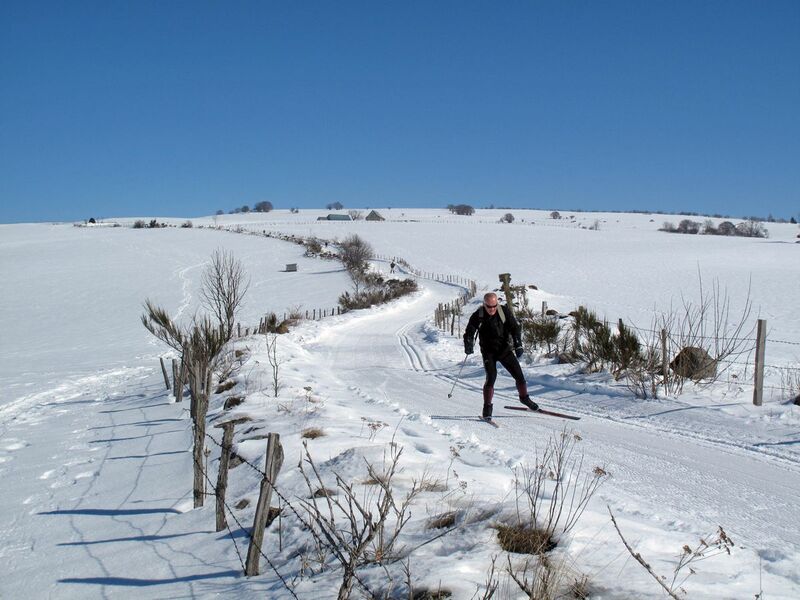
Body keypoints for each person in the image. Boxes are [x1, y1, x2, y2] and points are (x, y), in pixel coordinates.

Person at [463, 292, 539, 419]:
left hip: (504, 349)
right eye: (489, 306)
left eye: (494, 306)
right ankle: (487, 407)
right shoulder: (478, 315)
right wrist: (468, 343)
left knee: (519, 375)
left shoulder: (503, 311)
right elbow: (470, 331)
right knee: (491, 377)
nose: (492, 309)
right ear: (484, 304)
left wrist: (518, 344)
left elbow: (515, 328)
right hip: (488, 352)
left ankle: (524, 398)